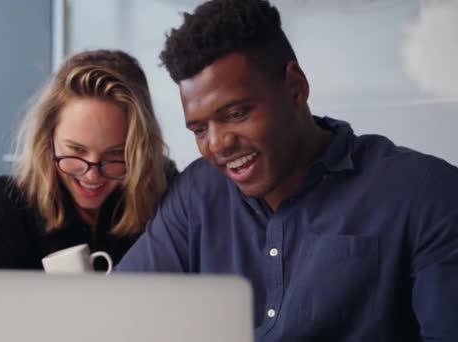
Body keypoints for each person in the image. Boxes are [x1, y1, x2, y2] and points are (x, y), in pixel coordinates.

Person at [115, 0, 458, 341]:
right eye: (199, 129)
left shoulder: (426, 194)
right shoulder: (196, 196)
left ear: (296, 87)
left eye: (235, 114)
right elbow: (114, 317)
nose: (217, 145)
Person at [0, 49, 176, 271]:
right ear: (47, 136)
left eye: (115, 155)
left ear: (140, 150)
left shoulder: (170, 203)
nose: (92, 175)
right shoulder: (1, 207)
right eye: (76, 150)